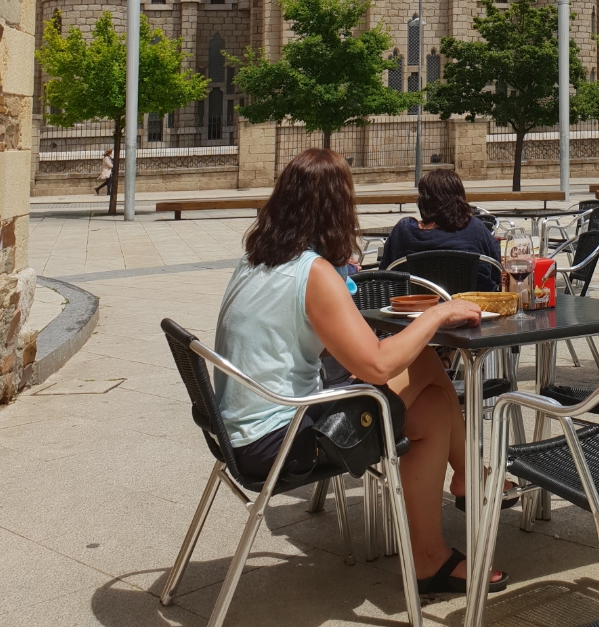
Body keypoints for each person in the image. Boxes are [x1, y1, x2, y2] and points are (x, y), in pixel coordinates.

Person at [214, 148, 507, 595]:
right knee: (424, 359)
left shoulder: (256, 260)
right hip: (282, 440)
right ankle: (464, 484)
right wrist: (436, 315)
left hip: (240, 430)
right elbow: (376, 363)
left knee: (429, 409)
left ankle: (436, 547)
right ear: (338, 207)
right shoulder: (311, 272)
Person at [380, 166, 502, 289]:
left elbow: (385, 274)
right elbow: (497, 271)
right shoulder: (474, 228)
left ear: (424, 201)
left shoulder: (403, 231)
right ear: (459, 198)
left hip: (416, 306)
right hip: (473, 305)